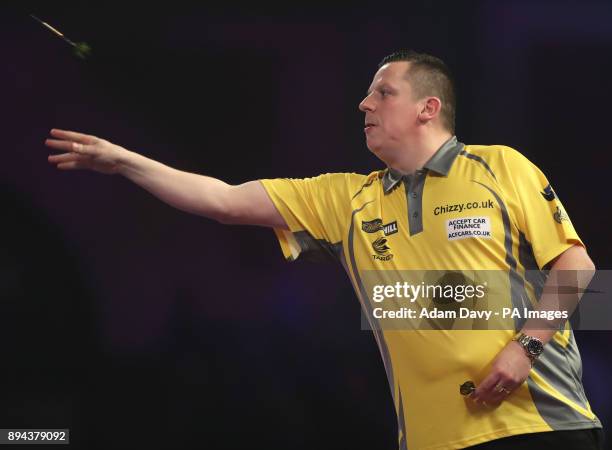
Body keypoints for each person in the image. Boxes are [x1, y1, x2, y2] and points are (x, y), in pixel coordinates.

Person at [45, 50, 604, 449]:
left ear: (427, 108)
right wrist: (123, 162)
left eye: (383, 92)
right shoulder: (346, 200)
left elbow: (576, 265)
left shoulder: (499, 165)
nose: (364, 103)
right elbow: (223, 199)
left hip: (542, 426)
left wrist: (524, 349)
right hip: (434, 440)